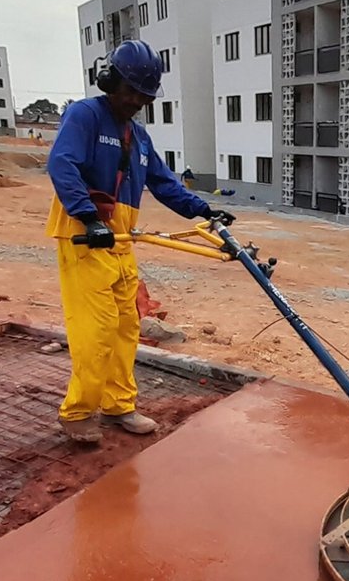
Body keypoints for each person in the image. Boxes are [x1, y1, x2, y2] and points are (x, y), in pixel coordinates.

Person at [47, 40, 233, 444]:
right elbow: (61, 164)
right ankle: (78, 412)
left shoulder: (139, 137)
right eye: (130, 91)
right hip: (84, 236)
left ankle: (119, 405)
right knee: (96, 329)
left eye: (143, 95)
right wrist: (88, 217)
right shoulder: (85, 115)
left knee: (126, 326)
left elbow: (164, 184)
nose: (135, 101)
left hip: (120, 239)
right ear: (109, 80)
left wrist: (204, 210)